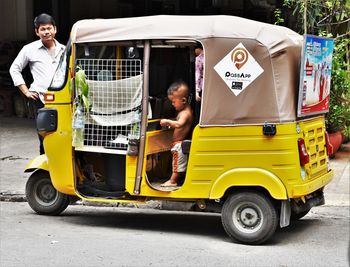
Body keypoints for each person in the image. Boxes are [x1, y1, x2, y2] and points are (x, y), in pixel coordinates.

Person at [9, 13, 65, 154]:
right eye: (42, 29)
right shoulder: (29, 49)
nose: (46, 32)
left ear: (55, 29)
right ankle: (45, 169)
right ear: (36, 32)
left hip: (62, 99)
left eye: (49, 28)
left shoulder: (65, 50)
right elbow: (14, 69)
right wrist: (26, 91)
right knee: (44, 135)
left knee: (62, 134)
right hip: (40, 99)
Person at [160, 81, 193, 187]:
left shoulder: (185, 113)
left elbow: (179, 124)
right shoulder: (183, 112)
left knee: (177, 164)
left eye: (174, 102)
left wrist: (167, 122)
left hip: (179, 144)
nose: (172, 104)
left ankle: (173, 181)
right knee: (176, 163)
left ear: (183, 100)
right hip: (176, 144)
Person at [194, 43, 204, 124]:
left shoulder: (199, 58)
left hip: (202, 87)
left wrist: (196, 91)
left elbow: (197, 75)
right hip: (211, 87)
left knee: (200, 109)